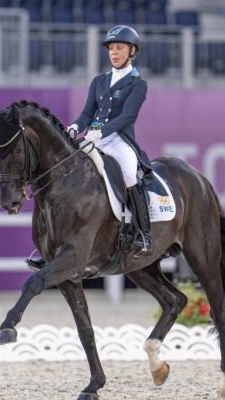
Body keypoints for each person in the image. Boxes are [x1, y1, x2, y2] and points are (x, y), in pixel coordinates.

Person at [66, 25, 153, 257]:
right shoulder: (99, 81)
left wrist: (101, 132)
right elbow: (87, 113)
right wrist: (75, 126)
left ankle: (143, 234)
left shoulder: (138, 84)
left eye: (119, 48)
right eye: (111, 48)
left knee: (129, 173)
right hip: (93, 138)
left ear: (132, 51)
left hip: (119, 140)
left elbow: (127, 117)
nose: (114, 52)